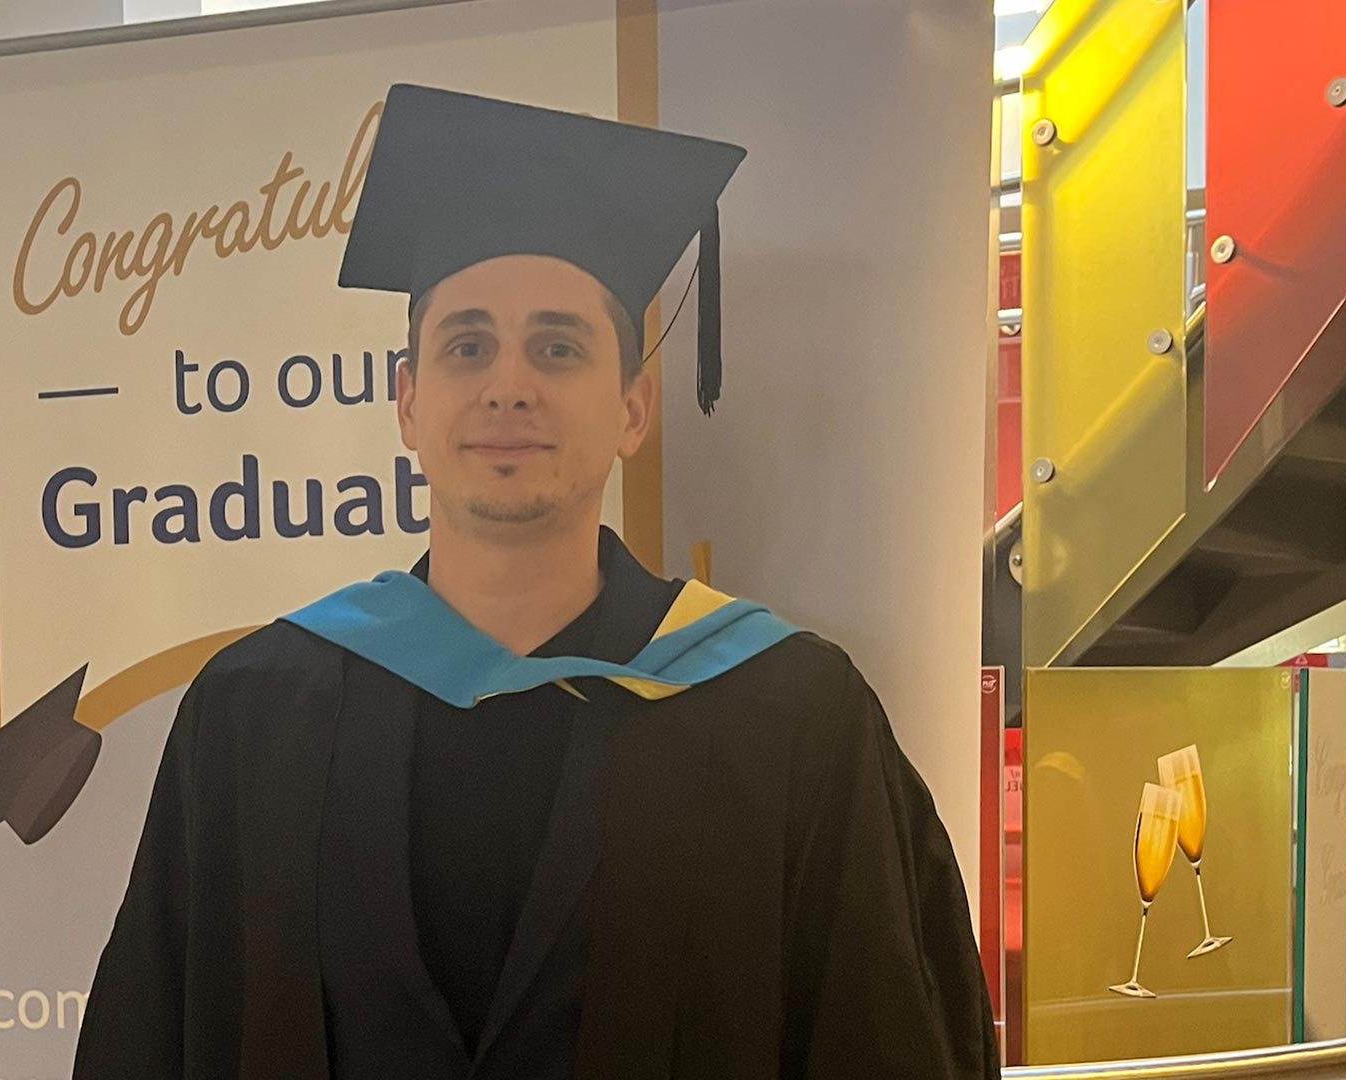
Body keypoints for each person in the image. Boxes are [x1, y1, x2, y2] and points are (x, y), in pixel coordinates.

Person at [73, 84, 998, 1079]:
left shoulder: (794, 722)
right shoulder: (254, 718)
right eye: (468, 345)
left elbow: (885, 1040)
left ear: (632, 408)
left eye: (557, 348)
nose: (507, 383)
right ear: (409, 402)